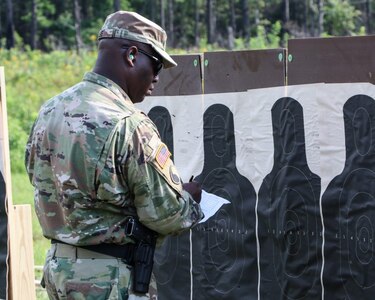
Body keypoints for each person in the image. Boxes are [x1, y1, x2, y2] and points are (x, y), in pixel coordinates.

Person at [25, 10, 204, 300]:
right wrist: (189, 198)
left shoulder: (50, 110)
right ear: (132, 55)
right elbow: (167, 216)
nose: (157, 78)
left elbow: (40, 180)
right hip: (108, 282)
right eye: (156, 65)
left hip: (59, 272)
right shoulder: (129, 124)